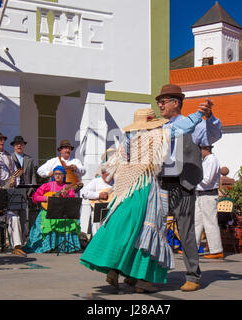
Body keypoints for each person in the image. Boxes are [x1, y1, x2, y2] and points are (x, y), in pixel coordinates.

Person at [80, 107, 205, 293]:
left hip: (126, 189)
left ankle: (115, 269)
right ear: (152, 123)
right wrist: (199, 114)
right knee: (149, 230)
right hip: (147, 187)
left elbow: (113, 164)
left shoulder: (128, 139)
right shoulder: (157, 136)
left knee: (123, 228)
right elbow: (184, 127)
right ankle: (142, 279)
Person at [157, 83, 223, 292]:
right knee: (155, 230)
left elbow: (213, 136)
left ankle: (193, 275)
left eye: (163, 101)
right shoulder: (160, 127)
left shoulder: (193, 124)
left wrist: (210, 116)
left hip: (183, 184)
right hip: (161, 184)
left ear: (175, 103)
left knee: (186, 232)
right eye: (159, 101)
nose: (159, 105)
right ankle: (152, 274)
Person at [24, 166, 81, 253]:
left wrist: (66, 195)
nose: (57, 176)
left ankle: (65, 245)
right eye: (56, 174)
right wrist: (46, 198)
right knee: (46, 220)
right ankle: (48, 246)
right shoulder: (46, 186)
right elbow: (35, 198)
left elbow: (72, 201)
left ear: (64, 175)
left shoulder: (67, 187)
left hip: (62, 212)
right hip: (48, 211)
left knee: (71, 221)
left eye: (60, 174)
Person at [194, 145, 223, 259]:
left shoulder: (212, 160)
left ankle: (216, 250)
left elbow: (207, 180)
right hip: (200, 194)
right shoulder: (205, 161)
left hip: (208, 194)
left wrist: (194, 179)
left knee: (210, 223)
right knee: (196, 222)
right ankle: (192, 248)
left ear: (205, 149)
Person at [80, 167, 114, 237]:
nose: (108, 176)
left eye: (110, 174)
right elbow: (84, 193)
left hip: (111, 209)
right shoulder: (96, 181)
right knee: (97, 230)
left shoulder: (115, 183)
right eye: (106, 174)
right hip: (98, 210)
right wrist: (98, 195)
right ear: (102, 174)